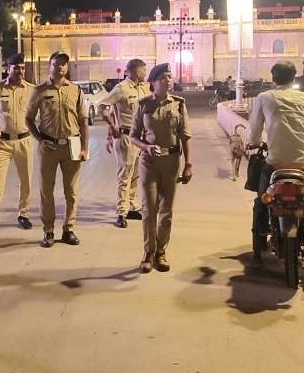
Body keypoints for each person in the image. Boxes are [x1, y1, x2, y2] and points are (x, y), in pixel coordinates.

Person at [247, 61, 304, 269]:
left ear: (273, 78)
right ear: (294, 77)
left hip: (276, 164)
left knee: (261, 202)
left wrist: (254, 142)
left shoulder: (264, 98)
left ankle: (258, 249)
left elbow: (254, 132)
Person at [129, 63, 193, 273]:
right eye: (163, 77)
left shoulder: (179, 105)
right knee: (149, 209)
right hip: (149, 163)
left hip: (172, 162)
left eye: (169, 76)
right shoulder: (143, 105)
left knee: (166, 211)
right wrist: (146, 147)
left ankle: (161, 252)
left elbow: (185, 136)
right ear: (153, 82)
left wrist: (188, 164)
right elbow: (133, 137)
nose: (168, 80)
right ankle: (148, 252)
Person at [25, 51, 89, 248]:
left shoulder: (76, 90)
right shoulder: (39, 90)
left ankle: (68, 228)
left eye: (63, 64)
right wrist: (39, 139)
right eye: (56, 63)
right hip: (49, 146)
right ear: (49, 66)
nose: (60, 67)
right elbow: (28, 118)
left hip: (72, 145)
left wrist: (85, 148)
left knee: (72, 191)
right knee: (46, 191)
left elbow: (83, 120)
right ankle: (48, 230)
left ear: (67, 67)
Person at [0, 53, 35, 236]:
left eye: (22, 68)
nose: (20, 71)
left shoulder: (31, 90)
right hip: (3, 142)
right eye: (16, 68)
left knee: (26, 180)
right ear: (8, 69)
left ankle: (24, 214)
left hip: (24, 141)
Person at [98, 58, 151, 228]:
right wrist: (112, 127)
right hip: (126, 137)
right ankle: (121, 212)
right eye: (144, 70)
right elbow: (102, 106)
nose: (146, 73)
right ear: (137, 71)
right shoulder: (121, 88)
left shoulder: (144, 88)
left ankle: (132, 206)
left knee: (135, 174)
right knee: (125, 175)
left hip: (140, 138)